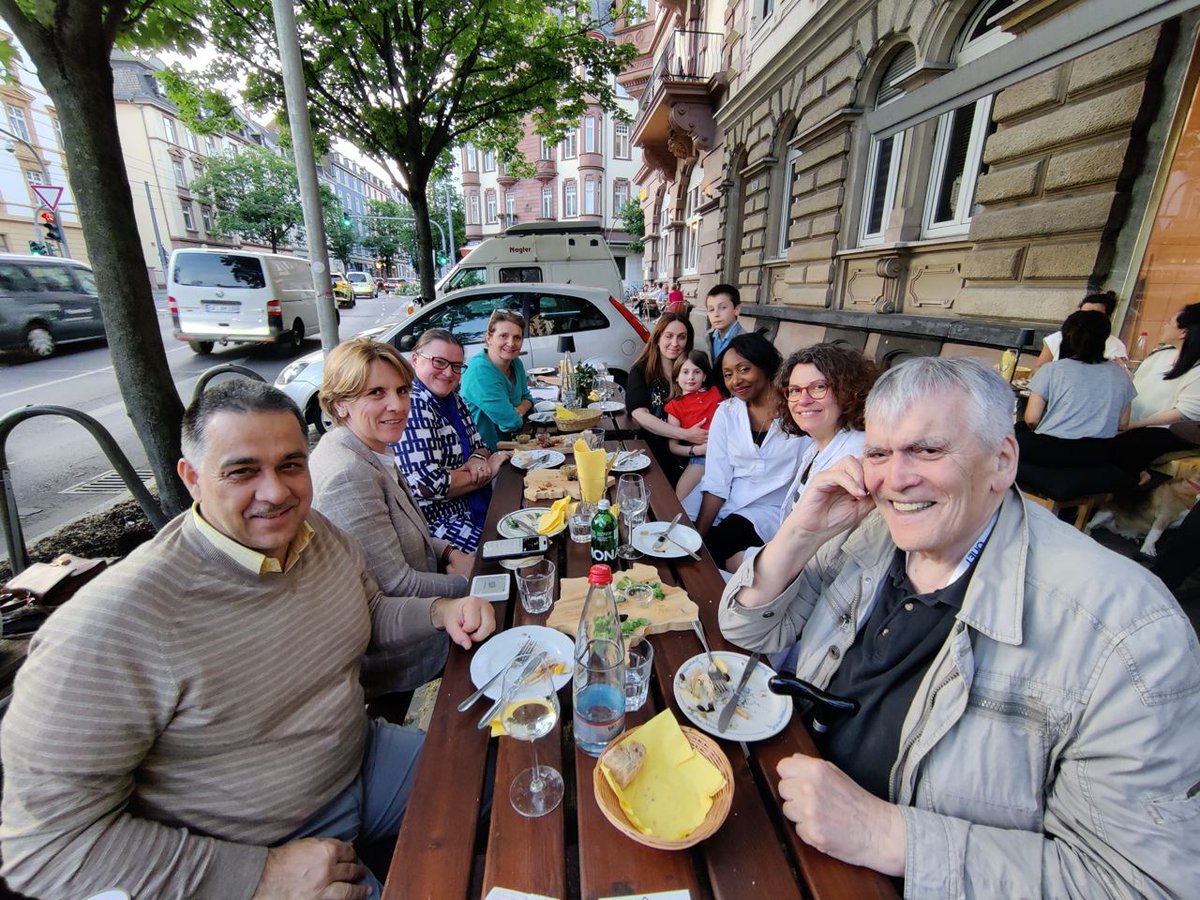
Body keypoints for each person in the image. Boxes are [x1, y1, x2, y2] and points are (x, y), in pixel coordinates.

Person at [717, 357, 1200, 897]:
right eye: (879, 452)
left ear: (1002, 460)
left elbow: (1142, 884)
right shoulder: (869, 531)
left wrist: (889, 834)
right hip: (782, 819)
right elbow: (748, 629)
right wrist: (802, 530)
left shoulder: (1128, 633)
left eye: (927, 449)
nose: (896, 479)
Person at [0, 380, 497, 899]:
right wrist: (256, 876)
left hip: (359, 759)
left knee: (516, 776)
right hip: (251, 844)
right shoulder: (109, 626)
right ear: (192, 478)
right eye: (242, 471)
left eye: (289, 465)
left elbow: (367, 611)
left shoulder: (316, 534)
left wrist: (441, 610)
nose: (276, 491)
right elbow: (46, 849)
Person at [310, 338, 495, 697]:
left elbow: (407, 530)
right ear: (340, 405)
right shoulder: (348, 475)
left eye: (401, 390)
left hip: (425, 599)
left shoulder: (365, 446)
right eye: (376, 393)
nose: (397, 405)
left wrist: (449, 554)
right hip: (400, 651)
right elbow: (397, 587)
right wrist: (479, 580)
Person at [685, 333, 806, 570]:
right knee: (681, 541)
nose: (736, 380)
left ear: (765, 365)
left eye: (744, 369)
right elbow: (717, 480)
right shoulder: (727, 413)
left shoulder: (799, 414)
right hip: (729, 501)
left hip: (770, 511)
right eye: (728, 374)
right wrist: (697, 537)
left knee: (711, 555)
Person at [393, 329, 509, 553]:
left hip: (470, 506)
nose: (448, 373)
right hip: (438, 525)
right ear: (415, 360)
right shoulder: (414, 405)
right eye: (439, 362)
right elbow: (430, 485)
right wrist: (489, 469)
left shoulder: (453, 399)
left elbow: (480, 445)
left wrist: (476, 459)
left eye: (456, 366)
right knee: (505, 552)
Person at [1018, 310, 1136, 468]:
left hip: (1051, 449)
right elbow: (1122, 424)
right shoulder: (1121, 375)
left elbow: (1032, 419)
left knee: (1014, 435)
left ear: (1068, 336)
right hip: (1098, 454)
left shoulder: (1052, 369)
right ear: (1105, 338)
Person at [777, 343, 877, 515]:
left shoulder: (858, 457)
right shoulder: (817, 446)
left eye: (818, 387)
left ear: (848, 391)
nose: (803, 400)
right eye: (795, 390)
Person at [1110, 303, 1200, 474]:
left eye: (1169, 322)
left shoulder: (1197, 368)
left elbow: (1184, 414)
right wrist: (1123, 372)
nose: (1164, 325)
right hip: (1132, 423)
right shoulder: (1161, 353)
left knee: (1126, 447)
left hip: (1163, 431)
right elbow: (1138, 384)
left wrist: (1134, 425)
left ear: (1184, 332)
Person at [627, 312, 704, 486]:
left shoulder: (695, 369)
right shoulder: (641, 370)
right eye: (669, 336)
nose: (675, 343)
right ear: (657, 337)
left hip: (695, 455)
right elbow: (640, 414)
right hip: (655, 453)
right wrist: (685, 434)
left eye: (681, 337)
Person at [459, 309, 534, 449]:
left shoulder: (516, 363)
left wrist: (520, 410)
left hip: (511, 446)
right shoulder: (479, 372)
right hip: (483, 455)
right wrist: (519, 410)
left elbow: (528, 398)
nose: (511, 343)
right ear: (488, 338)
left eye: (517, 337)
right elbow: (511, 422)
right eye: (503, 336)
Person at [664, 350, 723, 500]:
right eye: (685, 372)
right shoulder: (675, 406)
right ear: (676, 376)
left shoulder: (716, 393)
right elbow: (673, 447)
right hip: (701, 457)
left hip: (728, 452)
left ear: (704, 376)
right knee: (679, 498)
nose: (691, 377)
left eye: (697, 372)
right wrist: (698, 450)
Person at [1030, 290, 1128, 372]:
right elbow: (1039, 369)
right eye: (1083, 314)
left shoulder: (1115, 346)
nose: (1086, 319)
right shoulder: (1057, 338)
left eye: (1094, 316)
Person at [705, 283, 744, 362]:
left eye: (723, 308)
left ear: (737, 309)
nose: (716, 314)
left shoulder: (746, 341)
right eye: (711, 309)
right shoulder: (708, 337)